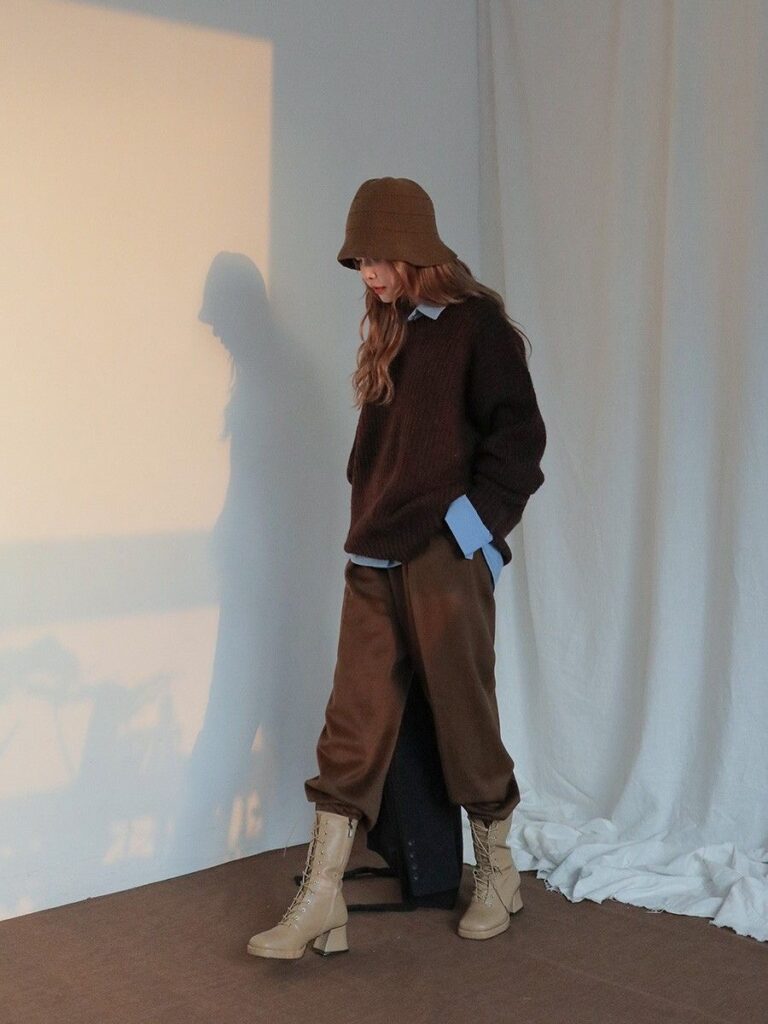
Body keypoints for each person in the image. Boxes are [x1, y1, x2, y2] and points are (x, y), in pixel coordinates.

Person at [247, 177, 546, 960]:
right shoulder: (393, 328)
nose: (369, 274)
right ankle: (321, 899)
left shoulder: (477, 329)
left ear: (415, 249)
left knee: (464, 716)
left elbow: (520, 443)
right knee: (352, 724)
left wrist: (467, 531)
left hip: (444, 558)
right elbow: (378, 455)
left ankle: (498, 874)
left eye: (378, 258)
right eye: (360, 262)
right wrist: (366, 508)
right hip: (375, 554)